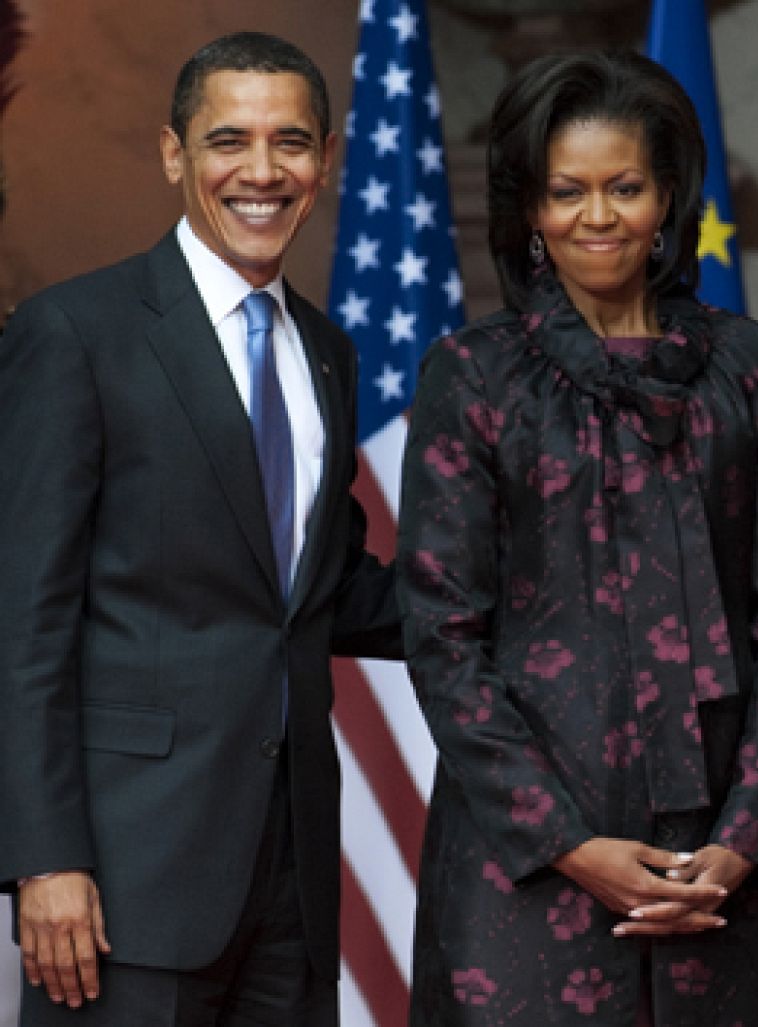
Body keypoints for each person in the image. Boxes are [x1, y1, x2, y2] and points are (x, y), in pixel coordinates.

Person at [396, 51, 758, 1025]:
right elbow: (442, 635)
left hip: (726, 877)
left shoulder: (751, 369)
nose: (598, 216)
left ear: (667, 196)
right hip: (528, 876)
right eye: (568, 191)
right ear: (532, 212)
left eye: (624, 186)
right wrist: (567, 843)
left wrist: (742, 838)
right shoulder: (473, 378)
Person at [0, 31, 401, 1025]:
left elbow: (320, 587)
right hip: (121, 882)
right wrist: (44, 859)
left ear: (327, 158)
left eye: (291, 142)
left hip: (292, 878)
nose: (261, 172)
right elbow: (23, 623)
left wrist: (525, 591)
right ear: (175, 154)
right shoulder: (75, 332)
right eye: (228, 141)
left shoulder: (326, 352)